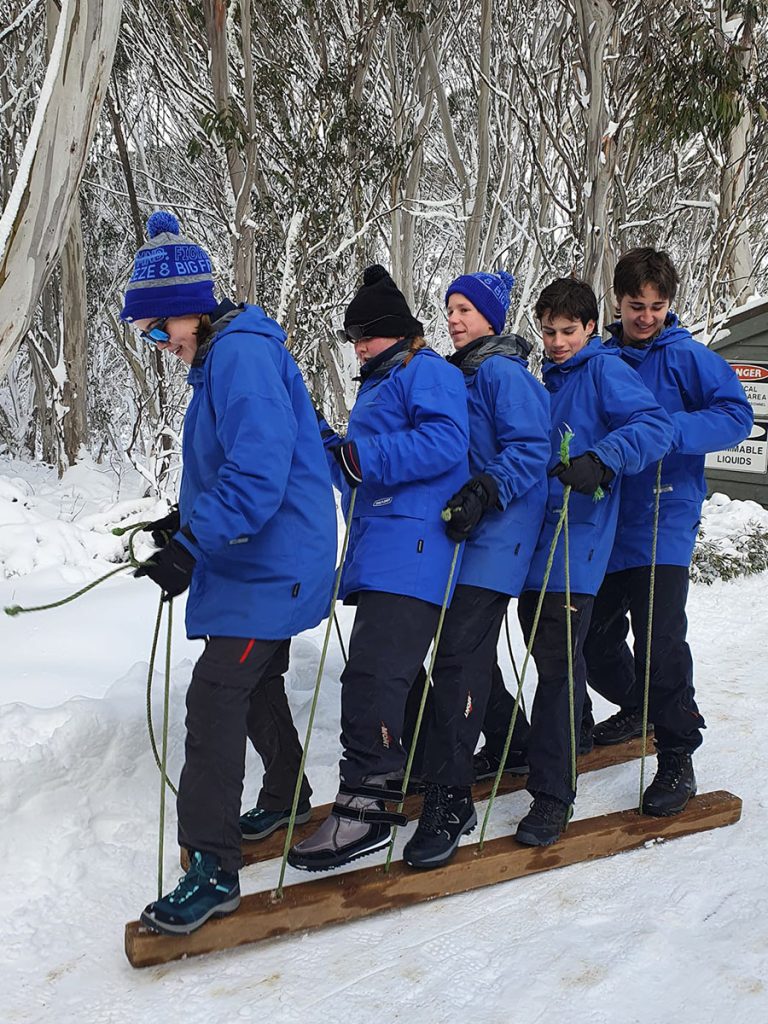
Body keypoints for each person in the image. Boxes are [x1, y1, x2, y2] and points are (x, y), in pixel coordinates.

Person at [122, 211, 337, 933]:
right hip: (260, 555)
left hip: (275, 561)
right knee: (252, 683)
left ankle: (212, 867)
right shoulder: (223, 359)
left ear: (187, 307)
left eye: (159, 330)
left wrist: (194, 542)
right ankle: (287, 794)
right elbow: (225, 466)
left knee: (216, 694)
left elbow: (258, 471)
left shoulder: (240, 356)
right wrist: (180, 522)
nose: (159, 345)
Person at [287, 264, 470, 872]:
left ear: (398, 332)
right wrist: (328, 445)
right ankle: (421, 776)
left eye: (367, 335)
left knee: (370, 676)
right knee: (394, 676)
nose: (358, 346)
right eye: (354, 337)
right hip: (382, 547)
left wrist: (363, 455)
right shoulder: (380, 383)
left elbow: (446, 443)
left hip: (416, 547)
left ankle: (367, 804)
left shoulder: (429, 371)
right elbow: (364, 469)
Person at [493, 277, 673, 847]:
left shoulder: (604, 370)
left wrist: (604, 457)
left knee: (554, 658)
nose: (556, 341)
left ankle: (552, 794)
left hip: (580, 537)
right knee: (546, 651)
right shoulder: (546, 378)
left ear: (591, 327)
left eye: (568, 331)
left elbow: (655, 425)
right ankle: (571, 740)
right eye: (548, 331)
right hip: (534, 538)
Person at [582, 248, 753, 815]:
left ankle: (678, 755)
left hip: (665, 516)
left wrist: (667, 431)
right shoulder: (599, 357)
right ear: (617, 302)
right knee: (593, 639)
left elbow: (736, 415)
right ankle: (640, 708)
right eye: (637, 305)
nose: (647, 316)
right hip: (609, 519)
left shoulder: (688, 358)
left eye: (657, 306)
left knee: (660, 643)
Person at [401, 270, 551, 870]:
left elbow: (530, 449)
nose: (455, 318)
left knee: (459, 658)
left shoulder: (501, 372)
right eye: (449, 308)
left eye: (466, 309)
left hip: (500, 533)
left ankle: (450, 797)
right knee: (463, 651)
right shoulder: (457, 373)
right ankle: (512, 738)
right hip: (462, 533)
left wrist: (487, 491)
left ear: (491, 317)